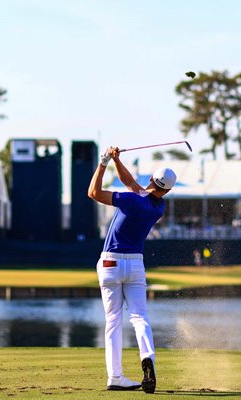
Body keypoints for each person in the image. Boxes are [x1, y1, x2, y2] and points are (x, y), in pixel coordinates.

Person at [88, 146, 176, 393]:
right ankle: (147, 357)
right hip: (135, 264)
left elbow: (93, 192)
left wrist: (104, 162)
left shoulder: (129, 199)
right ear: (167, 190)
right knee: (139, 317)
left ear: (151, 180)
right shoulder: (158, 207)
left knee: (113, 320)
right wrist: (117, 159)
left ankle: (115, 376)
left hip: (110, 262)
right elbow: (132, 183)